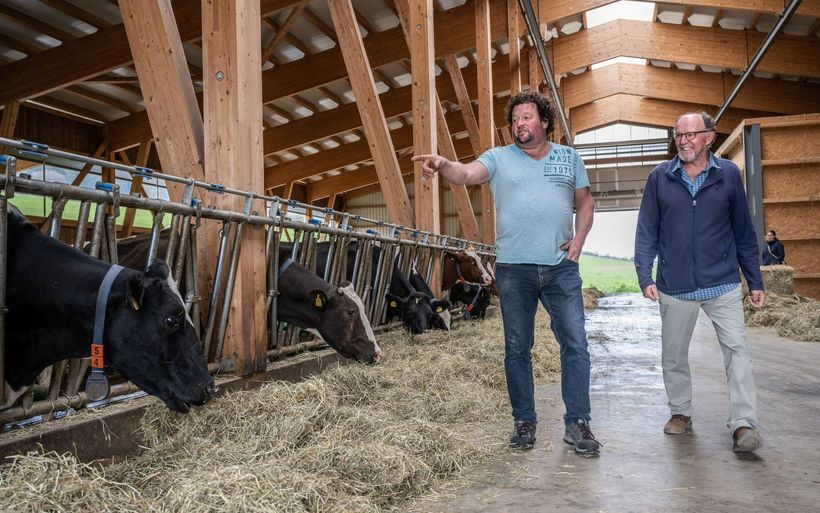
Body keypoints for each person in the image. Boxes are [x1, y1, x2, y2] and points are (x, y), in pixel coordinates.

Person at [412, 90, 599, 457]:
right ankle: (524, 422)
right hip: (514, 270)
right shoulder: (498, 158)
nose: (519, 124)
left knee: (575, 344)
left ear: (544, 121)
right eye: (514, 119)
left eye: (526, 117)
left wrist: (579, 238)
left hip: (561, 269)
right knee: (517, 348)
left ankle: (578, 422)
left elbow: (585, 201)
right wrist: (443, 164)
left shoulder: (569, 158)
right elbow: (466, 173)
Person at [634, 111, 766, 453]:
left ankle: (743, 423)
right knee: (673, 354)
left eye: (691, 134)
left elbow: (743, 231)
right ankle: (681, 412)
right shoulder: (659, 177)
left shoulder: (728, 175)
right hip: (675, 286)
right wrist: (644, 274)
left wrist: (755, 280)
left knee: (737, 351)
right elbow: (647, 229)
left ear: (709, 136)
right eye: (679, 135)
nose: (684, 140)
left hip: (721, 283)